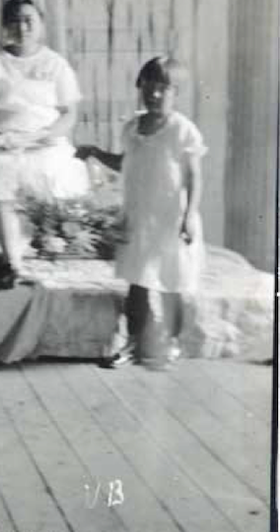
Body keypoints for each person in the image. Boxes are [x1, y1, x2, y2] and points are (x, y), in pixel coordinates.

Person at [77, 56, 205, 369]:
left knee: (172, 283)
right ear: (140, 87)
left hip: (171, 218)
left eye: (164, 88)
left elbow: (194, 177)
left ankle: (172, 342)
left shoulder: (182, 130)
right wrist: (94, 152)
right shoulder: (132, 127)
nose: (155, 94)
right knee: (138, 282)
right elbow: (126, 163)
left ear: (177, 92)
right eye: (149, 85)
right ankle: (133, 342)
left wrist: (189, 215)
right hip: (139, 216)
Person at [0, 0, 89, 288]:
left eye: (28, 20)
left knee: (51, 169)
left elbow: (69, 115)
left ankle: (44, 253)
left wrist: (45, 136)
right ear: (6, 25)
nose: (22, 27)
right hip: (2, 141)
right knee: (2, 169)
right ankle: (13, 262)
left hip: (44, 141)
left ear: (41, 24)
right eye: (15, 21)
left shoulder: (56, 65)